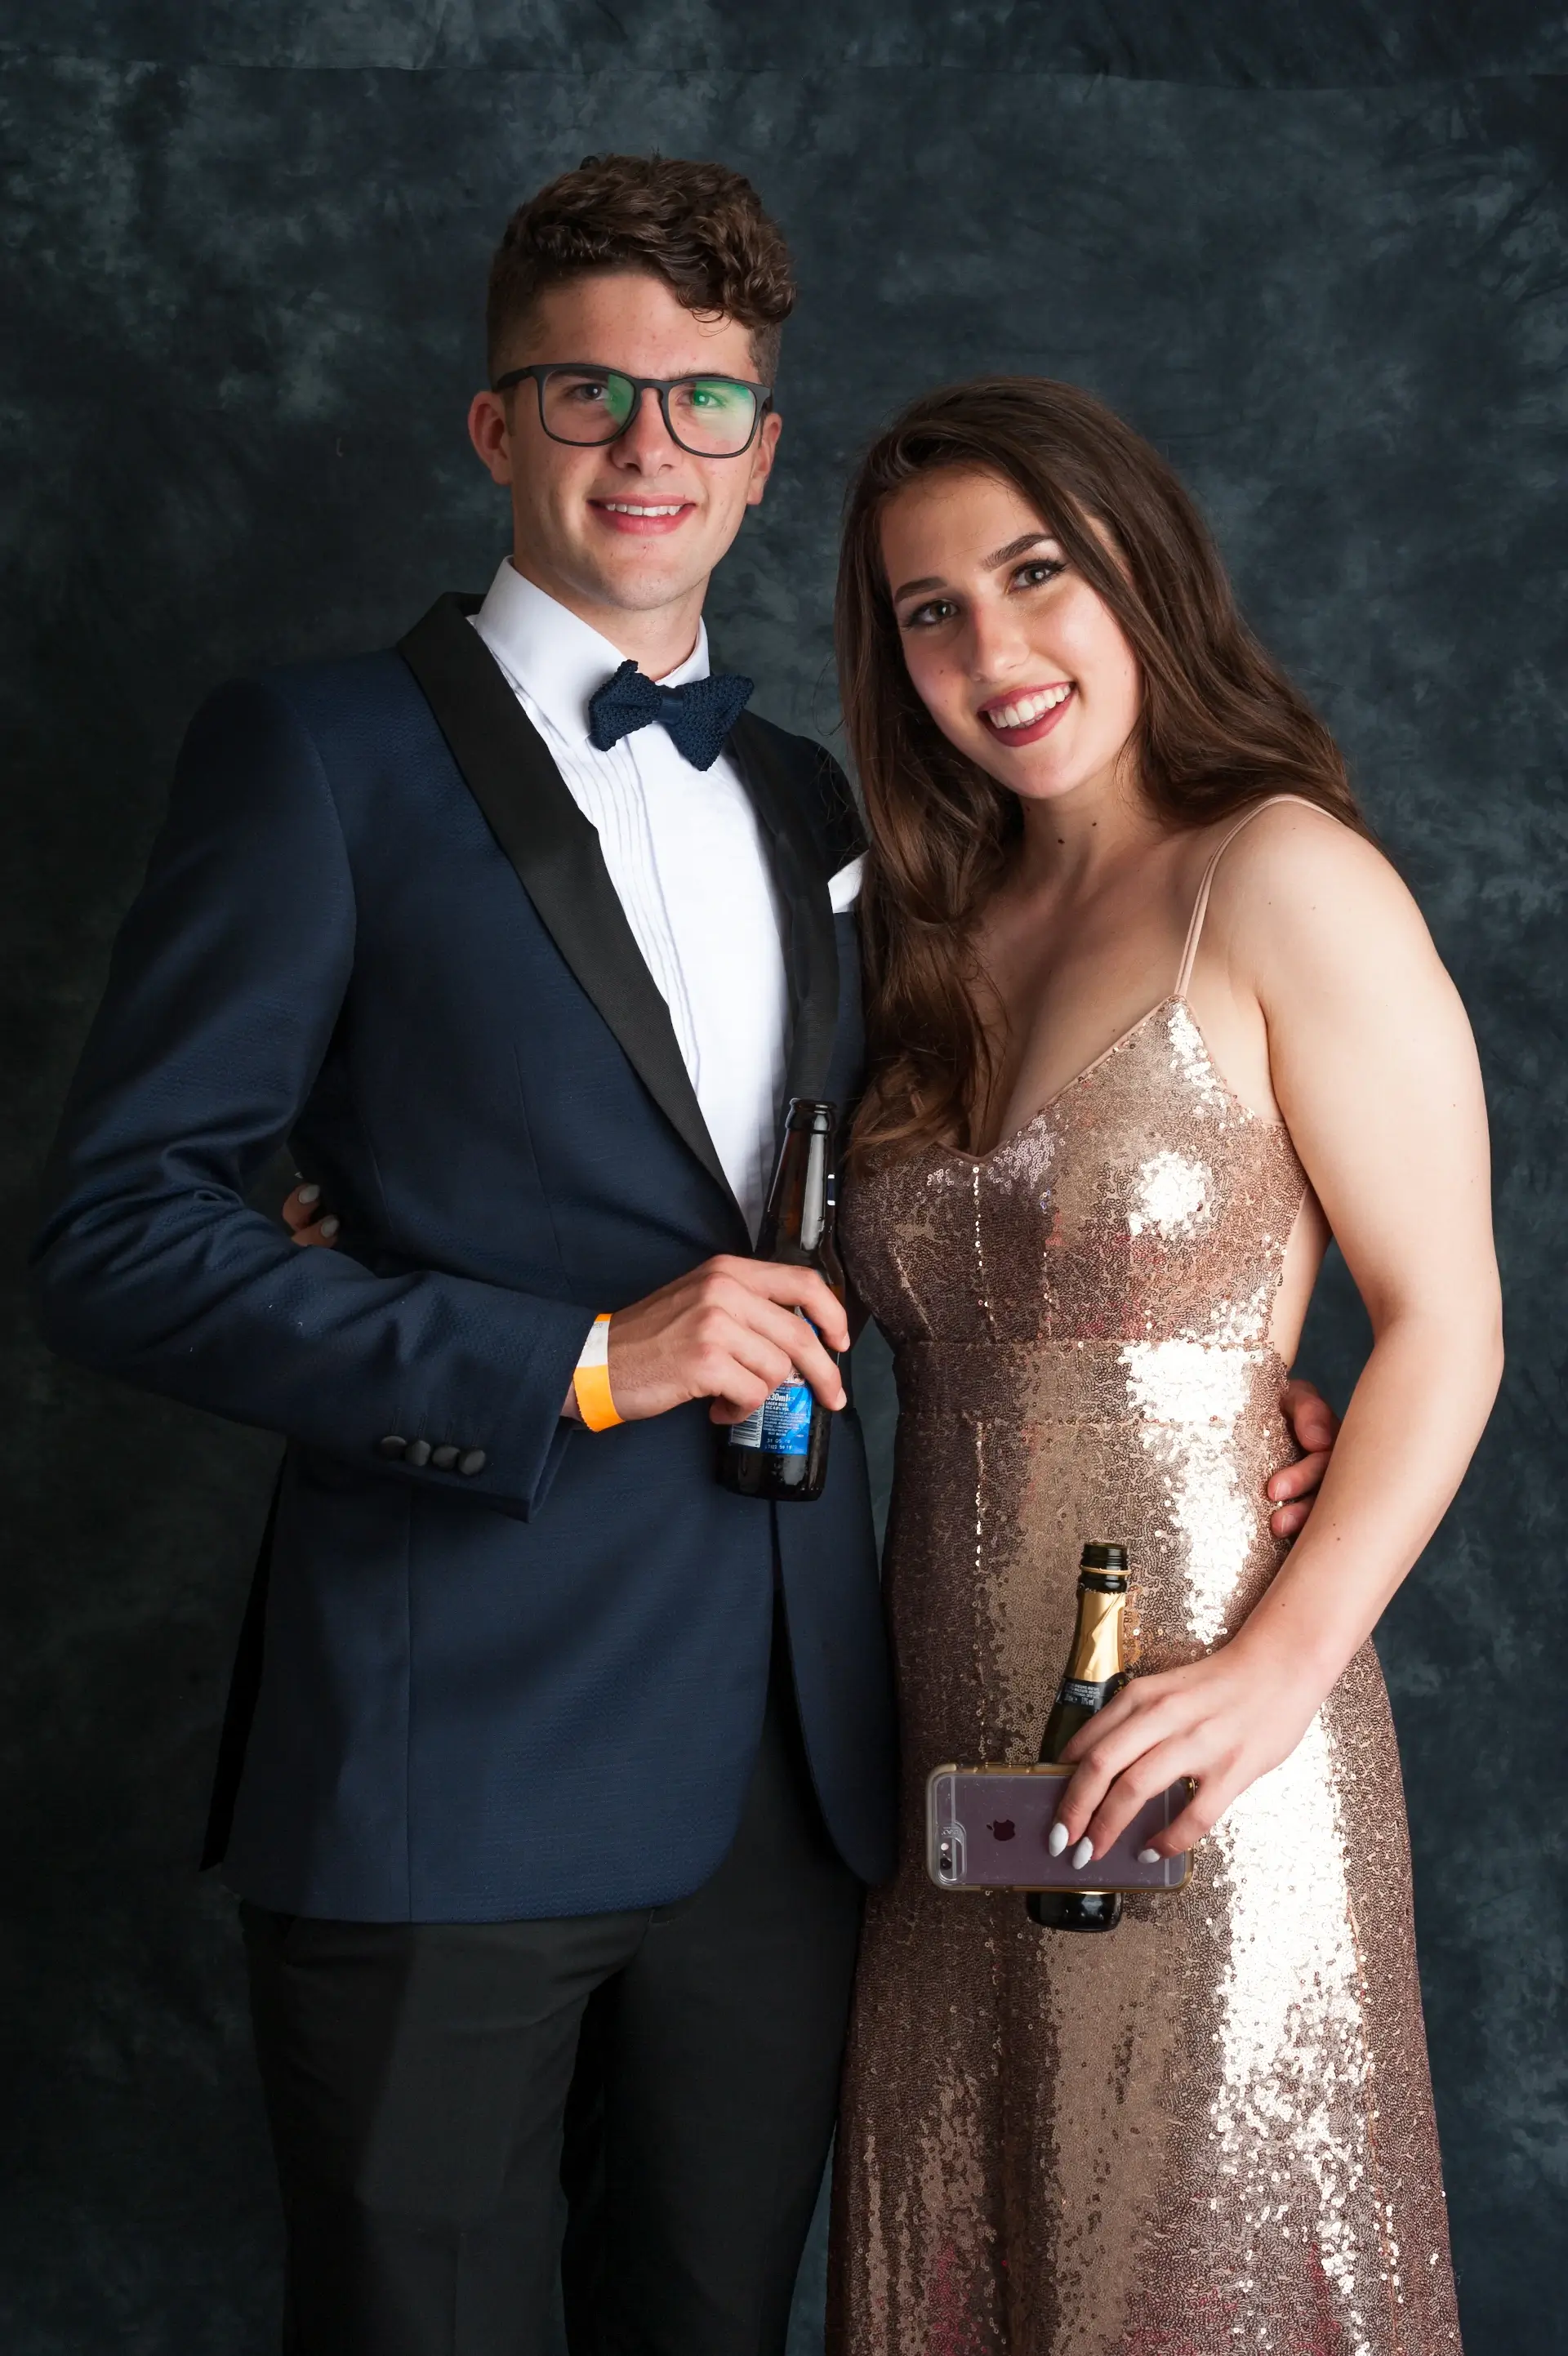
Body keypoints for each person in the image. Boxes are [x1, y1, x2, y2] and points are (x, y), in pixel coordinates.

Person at [29, 156, 1336, 2355]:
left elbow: (1023, 1160)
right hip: (448, 1754)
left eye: (703, 406)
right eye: (589, 394)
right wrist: (572, 1358)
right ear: (493, 426)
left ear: (761, 452)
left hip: (799, 1781)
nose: (648, 450)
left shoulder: (835, 807)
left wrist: (1233, 1365)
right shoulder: (317, 756)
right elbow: (117, 1237)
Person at [822, 377, 1501, 2354]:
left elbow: (1447, 1318)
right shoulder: (938, 935)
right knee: (970, 2270)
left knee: (1186, 2278)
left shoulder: (1281, 872)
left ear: (1144, 565)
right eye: (929, 611)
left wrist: (1271, 1677)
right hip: (942, 1748)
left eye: (1036, 573)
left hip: (1206, 1720)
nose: (991, 651)